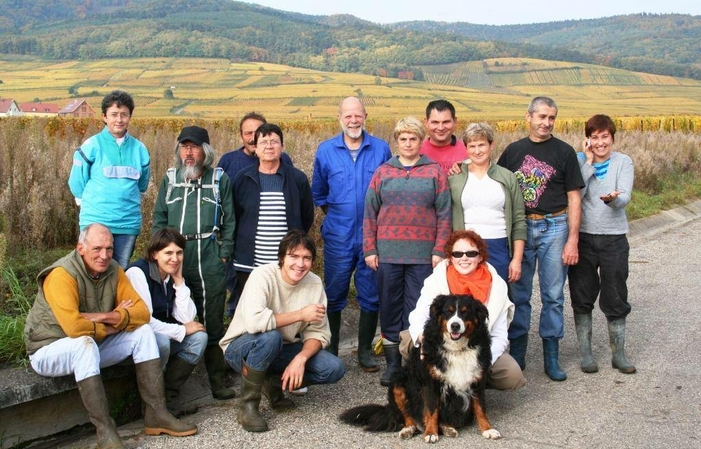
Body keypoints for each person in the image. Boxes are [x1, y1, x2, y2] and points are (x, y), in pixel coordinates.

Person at [24, 223, 196, 449]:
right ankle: (105, 431)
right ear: (80, 248)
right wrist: (116, 322)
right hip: (48, 348)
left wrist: (104, 316)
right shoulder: (61, 275)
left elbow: (142, 314)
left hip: (93, 343)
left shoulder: (114, 269)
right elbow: (75, 328)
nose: (104, 255)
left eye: (109, 248)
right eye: (97, 249)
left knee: (143, 332)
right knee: (83, 343)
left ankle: (156, 414)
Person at [220, 230, 346, 432]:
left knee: (333, 367)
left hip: (282, 348)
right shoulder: (262, 276)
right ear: (281, 258)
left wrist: (301, 359)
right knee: (270, 338)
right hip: (241, 348)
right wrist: (301, 314)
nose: (300, 263)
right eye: (293, 256)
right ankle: (248, 406)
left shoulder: (314, 283)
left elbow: (318, 333)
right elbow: (254, 323)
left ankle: (273, 383)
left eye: (306, 258)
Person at [497, 96, 584, 381]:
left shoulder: (565, 152)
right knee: (518, 294)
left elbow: (574, 196)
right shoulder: (513, 151)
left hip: (555, 226)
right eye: (542, 117)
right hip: (522, 229)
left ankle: (551, 357)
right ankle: (518, 355)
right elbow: (495, 183)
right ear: (529, 117)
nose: (547, 123)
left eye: (552, 118)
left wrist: (573, 239)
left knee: (553, 296)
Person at [363, 116, 452, 385]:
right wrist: (370, 249)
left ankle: (413, 361)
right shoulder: (383, 173)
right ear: (397, 141)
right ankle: (392, 365)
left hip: (423, 255)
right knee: (389, 306)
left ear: (421, 141)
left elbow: (445, 213)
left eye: (413, 138)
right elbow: (369, 213)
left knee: (417, 308)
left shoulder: (434, 172)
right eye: (403, 139)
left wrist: (439, 249)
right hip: (388, 253)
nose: (408, 143)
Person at [153, 125, 236, 400]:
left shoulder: (219, 179)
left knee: (212, 320)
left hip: (209, 257)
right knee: (177, 317)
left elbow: (230, 220)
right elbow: (160, 219)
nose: (189, 152)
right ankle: (171, 389)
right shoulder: (170, 179)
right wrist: (162, 256)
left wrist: (224, 253)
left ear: (206, 151)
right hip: (177, 259)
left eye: (195, 146)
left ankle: (217, 380)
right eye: (184, 146)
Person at [311, 96, 392, 372]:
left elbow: (389, 191)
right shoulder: (325, 151)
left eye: (358, 115)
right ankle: (331, 349)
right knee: (334, 293)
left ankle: (365, 351)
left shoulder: (381, 149)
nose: (353, 121)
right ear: (339, 118)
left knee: (371, 294)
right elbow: (320, 193)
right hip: (338, 236)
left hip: (372, 236)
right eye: (348, 116)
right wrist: (340, 216)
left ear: (365, 116)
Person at [405, 230, 526, 391]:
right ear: (450, 257)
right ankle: (435, 384)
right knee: (407, 340)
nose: (464, 258)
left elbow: (500, 336)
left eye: (471, 253)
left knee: (511, 375)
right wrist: (423, 338)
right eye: (457, 253)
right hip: (443, 346)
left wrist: (477, 361)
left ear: (480, 256)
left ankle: (471, 385)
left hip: (476, 347)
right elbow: (418, 314)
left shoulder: (497, 286)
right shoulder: (437, 278)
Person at [568, 114, 636, 374]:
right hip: (583, 237)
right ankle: (586, 354)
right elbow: (577, 193)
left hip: (614, 238)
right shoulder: (578, 160)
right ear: (587, 139)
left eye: (604, 136)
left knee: (615, 294)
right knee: (582, 295)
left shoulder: (623, 162)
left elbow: (625, 197)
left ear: (612, 138)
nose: (599, 142)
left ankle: (618, 353)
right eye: (594, 137)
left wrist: (613, 199)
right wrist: (587, 162)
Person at [231, 123, 313, 315]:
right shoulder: (243, 178)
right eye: (264, 142)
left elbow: (306, 216)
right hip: (250, 262)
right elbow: (234, 216)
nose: (269, 146)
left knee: (285, 309)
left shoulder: (297, 178)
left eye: (274, 141)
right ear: (256, 148)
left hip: (286, 262)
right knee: (252, 311)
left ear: (282, 147)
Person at [125, 228, 209, 416]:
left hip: (164, 332)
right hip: (137, 337)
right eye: (168, 253)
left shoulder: (171, 275)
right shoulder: (138, 273)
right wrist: (181, 330)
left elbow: (187, 318)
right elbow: (144, 321)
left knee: (199, 338)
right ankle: (152, 405)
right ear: (155, 254)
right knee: (161, 341)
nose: (175, 258)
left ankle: (169, 397)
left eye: (179, 252)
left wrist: (179, 282)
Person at [218, 112, 294, 315]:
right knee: (243, 298)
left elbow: (299, 207)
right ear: (241, 136)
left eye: (258, 132)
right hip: (245, 248)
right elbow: (228, 206)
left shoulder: (286, 165)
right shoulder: (230, 162)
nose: (253, 138)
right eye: (248, 133)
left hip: (279, 251)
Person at [68, 90, 150, 268]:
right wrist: (93, 206)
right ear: (104, 117)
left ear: (130, 117)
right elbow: (77, 183)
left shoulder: (140, 149)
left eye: (124, 115)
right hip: (95, 222)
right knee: (91, 271)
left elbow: (142, 185)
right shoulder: (91, 146)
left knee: (118, 272)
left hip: (127, 224)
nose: (119, 120)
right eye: (114, 115)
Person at [450, 122, 526, 284]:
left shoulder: (507, 177)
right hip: (465, 248)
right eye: (472, 146)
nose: (477, 151)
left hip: (498, 245)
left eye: (481, 145)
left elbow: (519, 220)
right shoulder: (454, 179)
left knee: (497, 298)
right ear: (466, 148)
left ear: (491, 145)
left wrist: (516, 260)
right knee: (467, 299)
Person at [420, 99, 468, 174]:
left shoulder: (469, 152)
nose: (441, 128)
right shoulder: (416, 152)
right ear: (426, 123)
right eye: (435, 122)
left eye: (446, 122)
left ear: (455, 122)